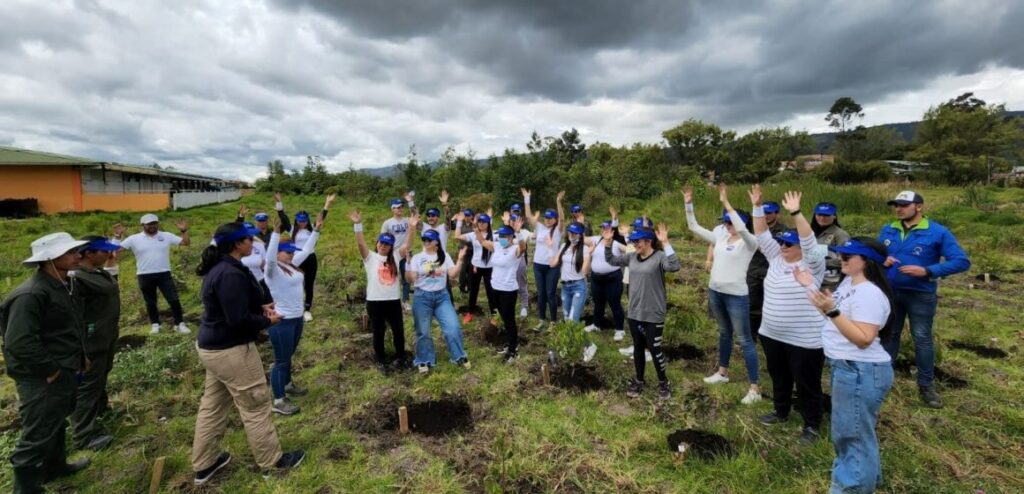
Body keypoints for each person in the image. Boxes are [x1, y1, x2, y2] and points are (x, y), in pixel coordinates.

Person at [191, 222, 304, 486]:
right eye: (246, 239)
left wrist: (260, 306)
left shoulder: (223, 268)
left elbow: (233, 307)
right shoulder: (229, 273)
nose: (252, 242)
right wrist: (268, 321)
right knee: (255, 404)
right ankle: (272, 462)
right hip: (232, 351)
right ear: (235, 244)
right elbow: (238, 319)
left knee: (213, 406)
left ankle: (205, 464)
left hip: (213, 349)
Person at [795, 237, 896, 494]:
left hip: (860, 371)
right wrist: (809, 287)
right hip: (850, 368)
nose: (841, 259)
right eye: (840, 254)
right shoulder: (849, 283)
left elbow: (863, 338)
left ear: (866, 261)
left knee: (852, 435)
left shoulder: (870, 293)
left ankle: (852, 487)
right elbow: (828, 312)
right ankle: (865, 479)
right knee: (854, 432)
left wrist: (833, 312)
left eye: (848, 256)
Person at [1, 233, 92, 492]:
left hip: (63, 368)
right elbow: (19, 342)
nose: (77, 255)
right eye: (70, 252)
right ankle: (26, 488)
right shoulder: (30, 294)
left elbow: (68, 328)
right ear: (50, 259)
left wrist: (80, 357)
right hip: (41, 376)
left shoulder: (62, 285)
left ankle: (55, 468)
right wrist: (50, 370)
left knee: (56, 420)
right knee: (38, 431)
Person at [878, 190, 970, 408]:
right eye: (896, 205)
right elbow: (876, 255)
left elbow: (961, 261)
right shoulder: (888, 228)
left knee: (922, 337)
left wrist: (928, 271)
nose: (898, 208)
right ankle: (883, 378)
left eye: (903, 204)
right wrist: (883, 260)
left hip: (920, 294)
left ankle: (926, 384)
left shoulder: (937, 232)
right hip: (891, 292)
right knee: (890, 334)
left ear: (919, 206)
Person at [750, 187, 827, 445]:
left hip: (804, 338)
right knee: (778, 375)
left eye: (788, 243)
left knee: (807, 382)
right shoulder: (776, 258)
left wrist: (796, 212)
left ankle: (811, 424)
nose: (782, 246)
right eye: (781, 242)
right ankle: (780, 411)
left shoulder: (812, 263)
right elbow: (761, 233)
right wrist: (757, 206)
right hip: (772, 333)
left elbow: (809, 241)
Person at [685, 184, 762, 405]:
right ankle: (722, 372)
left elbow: (743, 229)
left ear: (741, 223)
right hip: (716, 291)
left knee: (745, 340)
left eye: (730, 222)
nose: (727, 225)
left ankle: (754, 387)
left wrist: (726, 203)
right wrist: (688, 203)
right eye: (725, 222)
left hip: (736, 295)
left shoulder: (749, 243)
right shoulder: (721, 239)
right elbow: (693, 227)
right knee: (724, 333)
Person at [603, 221, 681, 400]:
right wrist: (608, 243)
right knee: (638, 347)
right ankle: (639, 381)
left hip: (654, 312)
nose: (634, 245)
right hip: (635, 312)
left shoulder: (660, 257)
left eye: (638, 242)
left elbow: (675, 266)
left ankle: (663, 382)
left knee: (654, 348)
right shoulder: (631, 258)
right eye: (633, 242)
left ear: (648, 242)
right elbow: (611, 260)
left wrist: (667, 242)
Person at [264, 210, 324, 415]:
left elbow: (307, 250)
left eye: (292, 251)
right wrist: (275, 234)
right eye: (287, 251)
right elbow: (270, 258)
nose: (291, 254)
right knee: (281, 360)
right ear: (278, 252)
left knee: (288, 356)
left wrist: (315, 230)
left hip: (297, 318)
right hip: (282, 321)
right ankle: (278, 400)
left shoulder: (290, 265)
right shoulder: (272, 270)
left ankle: (288, 384)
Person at [69, 236, 122, 453]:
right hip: (91, 340)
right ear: (88, 253)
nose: (109, 254)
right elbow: (72, 314)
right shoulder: (76, 279)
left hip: (106, 335)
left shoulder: (97, 273)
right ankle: (84, 434)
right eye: (104, 251)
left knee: (101, 374)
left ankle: (100, 409)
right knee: (88, 384)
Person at [404, 217, 471, 373]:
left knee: (453, 327)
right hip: (422, 297)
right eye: (424, 239)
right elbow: (410, 279)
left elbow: (452, 275)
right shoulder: (417, 258)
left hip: (442, 297)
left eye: (430, 240)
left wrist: (460, 260)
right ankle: (424, 359)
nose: (426, 242)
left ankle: (458, 355)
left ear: (436, 243)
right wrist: (407, 262)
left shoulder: (444, 256)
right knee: (423, 331)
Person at [350, 210, 407, 373]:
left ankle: (401, 357)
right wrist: (357, 225)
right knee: (378, 332)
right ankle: (381, 360)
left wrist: (410, 228)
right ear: (377, 243)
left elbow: (407, 246)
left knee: (398, 331)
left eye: (387, 244)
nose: (383, 246)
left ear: (391, 247)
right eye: (381, 243)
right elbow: (361, 244)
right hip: (375, 302)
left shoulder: (395, 257)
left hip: (393, 301)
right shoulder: (370, 257)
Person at [115, 213, 191, 334]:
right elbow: (116, 250)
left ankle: (179, 323)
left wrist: (184, 231)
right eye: (149, 224)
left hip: (164, 273)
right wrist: (118, 237)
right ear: (142, 225)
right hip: (144, 274)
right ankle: (155, 324)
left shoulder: (166, 236)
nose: (153, 226)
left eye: (155, 223)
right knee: (150, 302)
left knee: (173, 299)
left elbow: (185, 243)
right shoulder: (134, 238)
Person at [478, 221, 528, 362]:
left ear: (512, 237)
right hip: (495, 288)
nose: (502, 238)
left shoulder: (516, 249)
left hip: (508, 290)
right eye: (500, 235)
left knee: (509, 319)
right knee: (503, 318)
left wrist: (519, 232)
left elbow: (523, 248)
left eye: (505, 236)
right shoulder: (497, 246)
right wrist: (476, 229)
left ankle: (513, 351)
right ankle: (510, 343)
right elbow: (482, 241)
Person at [521, 188, 562, 331]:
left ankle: (554, 321)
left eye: (551, 218)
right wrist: (527, 199)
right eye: (546, 218)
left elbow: (562, 218)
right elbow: (528, 216)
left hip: (552, 266)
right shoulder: (539, 227)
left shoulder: (558, 230)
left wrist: (558, 202)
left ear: (555, 219)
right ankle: (542, 320)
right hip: (538, 265)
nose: (547, 220)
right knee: (541, 293)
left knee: (550, 293)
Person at [585, 208, 628, 342]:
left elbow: (630, 250)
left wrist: (625, 235)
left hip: (612, 278)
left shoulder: (616, 242)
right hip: (596, 278)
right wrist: (580, 225)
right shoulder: (596, 240)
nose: (605, 230)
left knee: (614, 303)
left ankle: (620, 329)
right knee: (598, 303)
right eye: (603, 228)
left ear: (612, 230)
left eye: (607, 228)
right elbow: (582, 238)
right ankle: (596, 324)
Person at [291, 194, 335, 321]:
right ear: (296, 220)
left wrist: (327, 203)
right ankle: (297, 307)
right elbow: (282, 218)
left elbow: (322, 218)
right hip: (296, 259)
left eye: (304, 220)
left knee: (309, 285)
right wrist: (279, 206)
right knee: (296, 283)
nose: (302, 223)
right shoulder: (292, 229)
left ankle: (307, 310)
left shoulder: (313, 228)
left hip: (310, 259)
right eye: (300, 220)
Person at [746, 200, 785, 341]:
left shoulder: (785, 231)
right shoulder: (752, 229)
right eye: (763, 213)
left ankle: (768, 336)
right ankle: (751, 335)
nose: (765, 216)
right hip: (754, 270)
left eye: (769, 213)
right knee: (752, 304)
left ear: (777, 214)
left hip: (773, 273)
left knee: (770, 305)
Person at [457, 210, 497, 323]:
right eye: (479, 222)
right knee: (473, 290)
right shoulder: (473, 234)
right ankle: (470, 312)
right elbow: (457, 236)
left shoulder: (494, 235)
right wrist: (459, 222)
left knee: (491, 291)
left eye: (484, 222)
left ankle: (494, 314)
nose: (481, 224)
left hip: (489, 267)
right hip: (475, 267)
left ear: (489, 223)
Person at [552, 222, 593, 322]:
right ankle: (572, 337)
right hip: (565, 286)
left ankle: (576, 336)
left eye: (574, 233)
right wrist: (550, 247)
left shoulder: (585, 249)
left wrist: (589, 255)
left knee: (573, 319)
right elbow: (553, 264)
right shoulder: (563, 246)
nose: (571, 235)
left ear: (581, 235)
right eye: (570, 232)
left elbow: (584, 271)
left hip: (578, 286)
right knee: (566, 317)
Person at [381, 195, 414, 310]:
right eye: (397, 207)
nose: (400, 209)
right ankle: (390, 300)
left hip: (406, 253)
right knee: (391, 278)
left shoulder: (407, 220)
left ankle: (405, 301)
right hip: (393, 254)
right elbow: (382, 239)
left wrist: (410, 202)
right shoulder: (387, 223)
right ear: (392, 209)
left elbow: (414, 215)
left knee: (406, 278)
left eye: (401, 207)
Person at [812, 202, 851, 292]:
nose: (822, 218)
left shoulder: (840, 234)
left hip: (830, 284)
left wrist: (819, 262)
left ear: (834, 216)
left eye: (826, 215)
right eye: (819, 214)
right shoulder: (809, 232)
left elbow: (846, 260)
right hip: (811, 281)